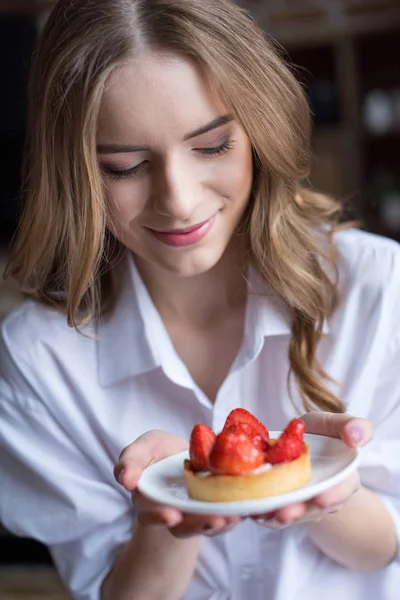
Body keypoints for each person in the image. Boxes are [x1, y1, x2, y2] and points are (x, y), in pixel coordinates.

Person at [0, 0, 399, 598]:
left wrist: (331, 487)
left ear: (261, 127)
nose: (180, 201)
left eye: (212, 147)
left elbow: (385, 550)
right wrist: (164, 512)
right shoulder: (40, 358)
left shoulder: (377, 286)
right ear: (75, 175)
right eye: (125, 166)